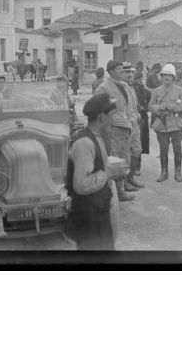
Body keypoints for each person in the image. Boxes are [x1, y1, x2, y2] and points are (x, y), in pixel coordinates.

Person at [64, 93, 124, 250]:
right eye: (112, 115)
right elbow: (81, 185)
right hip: (88, 219)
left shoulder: (97, 136)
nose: (114, 119)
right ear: (101, 117)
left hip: (97, 214)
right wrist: (108, 174)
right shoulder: (85, 143)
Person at [94, 60, 137, 201]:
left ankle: (121, 190)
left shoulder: (123, 85)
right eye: (119, 69)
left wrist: (132, 121)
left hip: (126, 127)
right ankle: (113, 193)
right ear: (111, 71)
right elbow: (99, 111)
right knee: (114, 160)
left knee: (125, 159)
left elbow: (128, 106)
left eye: (122, 69)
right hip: (113, 129)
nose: (122, 71)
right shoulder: (103, 88)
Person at [149, 64, 182, 183]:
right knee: (163, 149)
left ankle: (178, 173)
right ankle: (164, 172)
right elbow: (150, 106)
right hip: (161, 124)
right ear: (161, 77)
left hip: (176, 123)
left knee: (177, 148)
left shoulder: (179, 90)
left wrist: (174, 107)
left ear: (173, 78)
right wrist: (158, 107)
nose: (166, 77)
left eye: (169, 75)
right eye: (164, 75)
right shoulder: (156, 91)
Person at [119, 62, 145, 191]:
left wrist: (138, 116)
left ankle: (130, 178)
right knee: (125, 154)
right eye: (126, 72)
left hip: (135, 123)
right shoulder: (120, 87)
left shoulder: (133, 86)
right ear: (120, 73)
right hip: (125, 125)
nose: (130, 74)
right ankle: (123, 183)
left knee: (137, 150)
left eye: (131, 72)